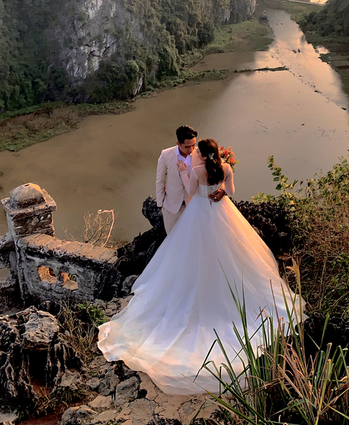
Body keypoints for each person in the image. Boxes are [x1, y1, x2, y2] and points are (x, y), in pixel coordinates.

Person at [97, 138, 304, 395]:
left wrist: (184, 173)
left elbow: (192, 192)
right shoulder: (226, 168)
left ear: (202, 155)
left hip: (198, 215)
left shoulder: (196, 170)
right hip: (223, 213)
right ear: (217, 153)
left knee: (191, 254)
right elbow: (231, 190)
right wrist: (221, 191)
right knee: (234, 253)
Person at [155, 125, 203, 234]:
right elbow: (160, 180)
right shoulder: (166, 155)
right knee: (172, 237)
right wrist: (160, 204)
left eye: (193, 145)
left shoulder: (200, 154)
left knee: (191, 236)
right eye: (187, 146)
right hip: (171, 206)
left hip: (193, 204)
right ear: (178, 144)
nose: (191, 149)